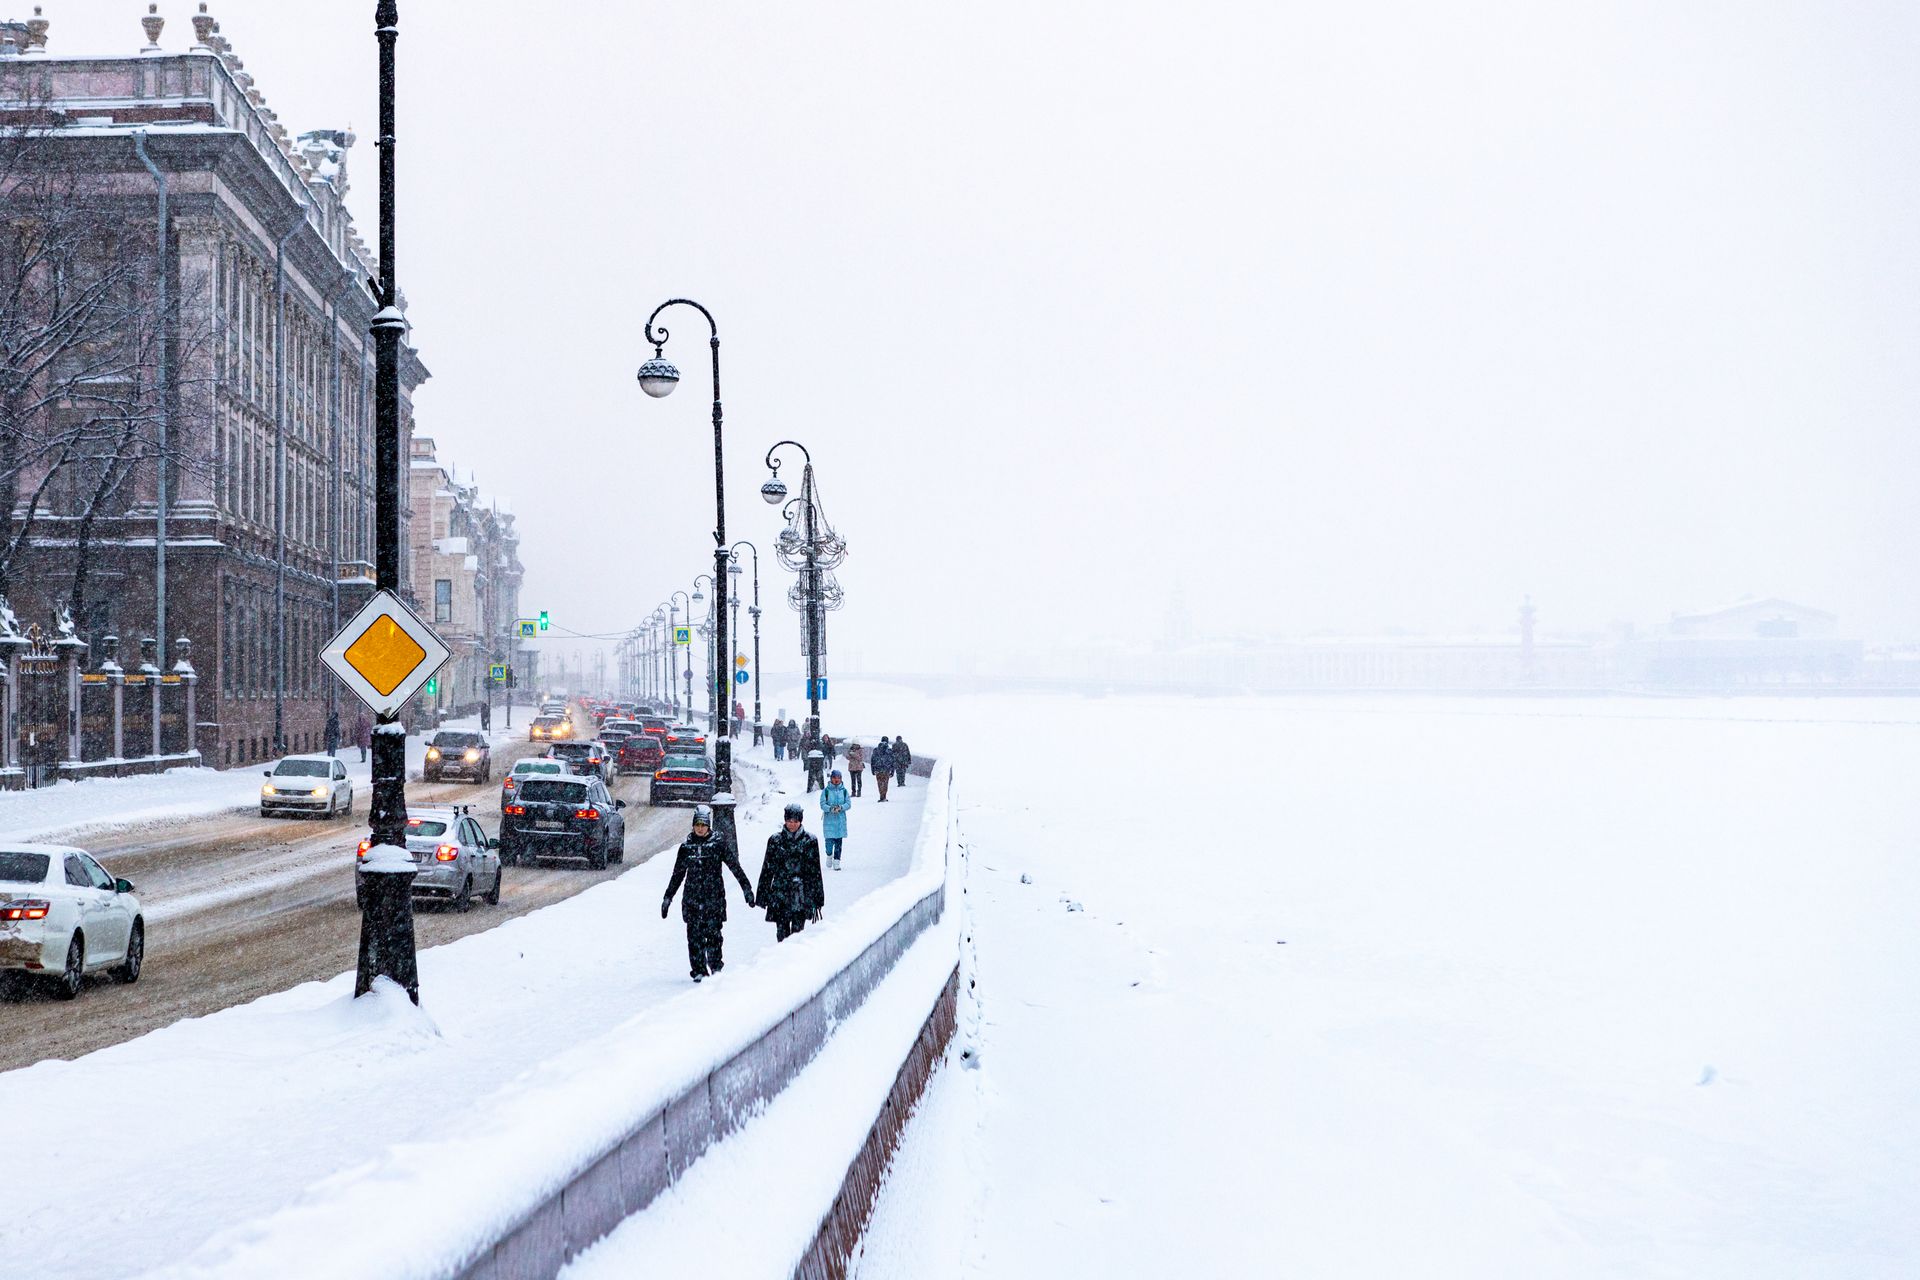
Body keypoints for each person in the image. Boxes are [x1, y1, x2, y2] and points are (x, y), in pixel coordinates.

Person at [661, 805, 756, 981]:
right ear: (693, 826)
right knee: (694, 938)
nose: (700, 828)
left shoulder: (718, 845)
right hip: (692, 899)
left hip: (714, 899)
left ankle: (715, 967)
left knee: (714, 935)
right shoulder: (686, 848)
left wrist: (747, 888)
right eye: (697, 825)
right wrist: (668, 897)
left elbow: (735, 867)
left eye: (703, 825)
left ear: (708, 826)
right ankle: (698, 970)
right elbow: (677, 875)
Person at [757, 802, 824, 941]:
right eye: (789, 821)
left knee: (798, 935)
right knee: (782, 934)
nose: (792, 824)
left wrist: (818, 897)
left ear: (800, 821)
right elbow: (767, 869)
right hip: (780, 893)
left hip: (801, 894)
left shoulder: (810, 840)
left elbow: (815, 871)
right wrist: (762, 895)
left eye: (795, 821)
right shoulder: (775, 840)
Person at [820, 770, 850, 868]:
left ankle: (837, 861)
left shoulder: (844, 791)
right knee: (829, 843)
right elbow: (822, 804)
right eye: (834, 778)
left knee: (838, 843)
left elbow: (848, 804)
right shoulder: (826, 791)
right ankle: (829, 855)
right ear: (831, 778)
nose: (836, 780)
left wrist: (841, 807)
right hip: (829, 821)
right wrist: (830, 809)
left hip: (840, 821)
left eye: (838, 778)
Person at [871, 737, 894, 802]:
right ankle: (884, 796)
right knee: (885, 783)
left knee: (880, 783)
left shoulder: (876, 750)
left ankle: (881, 796)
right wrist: (892, 771)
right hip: (886, 769)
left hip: (878, 769)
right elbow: (892, 761)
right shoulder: (889, 750)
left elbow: (872, 760)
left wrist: (873, 770)